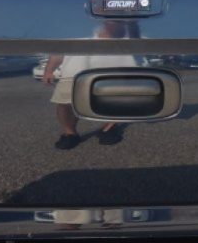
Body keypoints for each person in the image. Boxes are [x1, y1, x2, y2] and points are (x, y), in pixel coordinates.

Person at [43, 20, 139, 150]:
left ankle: (109, 128)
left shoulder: (129, 27)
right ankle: (70, 133)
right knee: (64, 104)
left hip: (112, 73)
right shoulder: (71, 29)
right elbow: (59, 51)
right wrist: (49, 70)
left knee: (112, 102)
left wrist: (123, 20)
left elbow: (136, 42)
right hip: (73, 72)